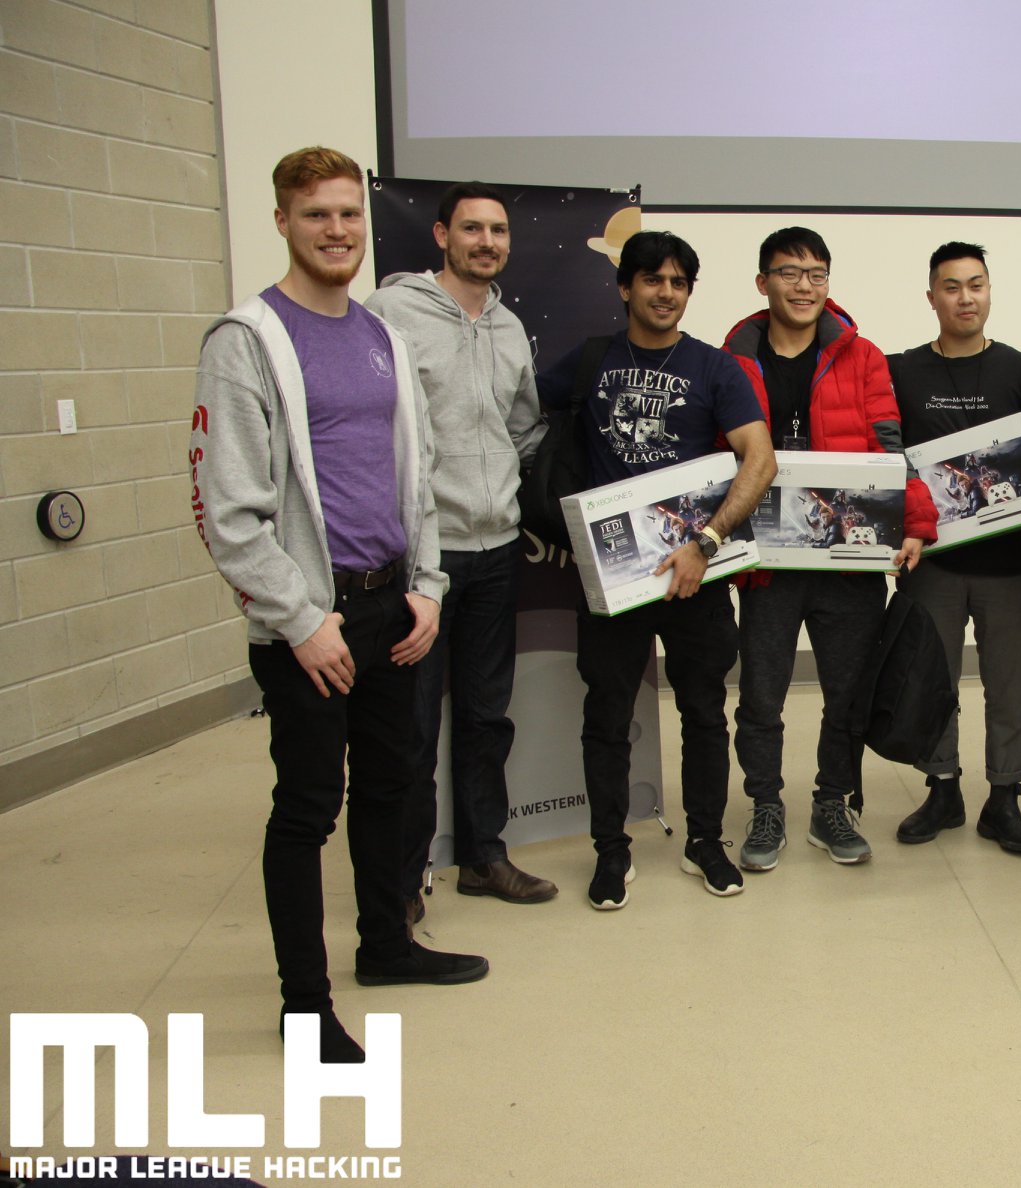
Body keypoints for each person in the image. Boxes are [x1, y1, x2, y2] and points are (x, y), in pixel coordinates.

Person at [190, 147, 488, 1064]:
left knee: (393, 789)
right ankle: (304, 1003)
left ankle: (387, 946)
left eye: (350, 215)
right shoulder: (248, 341)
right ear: (282, 221)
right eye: (316, 214)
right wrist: (300, 619)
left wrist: (427, 586)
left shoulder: (378, 334)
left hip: (390, 608)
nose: (337, 231)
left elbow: (419, 475)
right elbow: (229, 511)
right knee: (308, 807)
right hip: (308, 623)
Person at [536, 231, 775, 909]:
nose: (665, 293)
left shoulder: (716, 369)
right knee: (607, 715)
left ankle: (706, 841)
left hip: (695, 572)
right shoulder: (588, 364)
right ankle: (611, 852)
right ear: (625, 287)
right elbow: (518, 415)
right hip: (613, 579)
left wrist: (706, 540)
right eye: (652, 280)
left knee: (704, 712)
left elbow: (759, 460)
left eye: (678, 282)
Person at [363, 181, 557, 921]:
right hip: (421, 557)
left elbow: (521, 428)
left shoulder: (509, 329)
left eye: (498, 230)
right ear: (441, 234)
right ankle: (406, 876)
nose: (487, 242)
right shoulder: (392, 313)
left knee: (485, 715)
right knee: (410, 725)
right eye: (472, 228)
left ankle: (483, 856)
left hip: (498, 547)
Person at [723, 227, 938, 870]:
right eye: (789, 273)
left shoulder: (862, 356)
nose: (805, 286)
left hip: (848, 561)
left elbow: (890, 447)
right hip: (767, 565)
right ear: (763, 283)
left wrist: (915, 522)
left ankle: (830, 803)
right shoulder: (731, 359)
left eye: (817, 274)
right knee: (762, 694)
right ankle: (765, 805)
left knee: (847, 693)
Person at [888, 242, 1021, 854]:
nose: (965, 297)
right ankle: (942, 789)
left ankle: (1004, 799)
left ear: (990, 292)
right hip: (930, 561)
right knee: (933, 680)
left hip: (1007, 562)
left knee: (1008, 683)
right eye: (951, 287)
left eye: (976, 285)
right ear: (931, 297)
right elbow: (883, 455)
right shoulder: (900, 371)